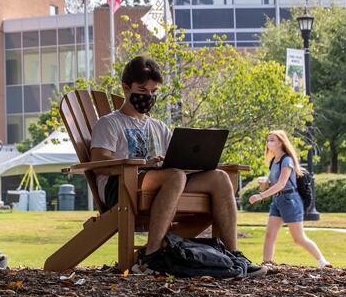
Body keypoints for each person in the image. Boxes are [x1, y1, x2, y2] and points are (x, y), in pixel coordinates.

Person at [90, 56, 266, 276]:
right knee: (175, 176)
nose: (149, 97)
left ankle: (233, 256)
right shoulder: (109, 123)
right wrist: (145, 165)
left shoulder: (159, 127)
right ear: (126, 87)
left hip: (164, 183)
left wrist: (193, 162)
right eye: (143, 90)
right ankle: (151, 257)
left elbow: (175, 161)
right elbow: (98, 163)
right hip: (122, 187)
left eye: (154, 92)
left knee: (219, 177)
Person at [249, 130, 331, 268]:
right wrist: (264, 185)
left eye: (273, 140)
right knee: (270, 235)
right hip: (277, 201)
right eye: (268, 140)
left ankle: (323, 262)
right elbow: (273, 185)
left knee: (298, 238)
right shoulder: (274, 161)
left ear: (281, 142)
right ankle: (266, 265)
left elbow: (282, 184)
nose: (269, 143)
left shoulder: (287, 160)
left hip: (290, 201)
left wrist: (260, 196)